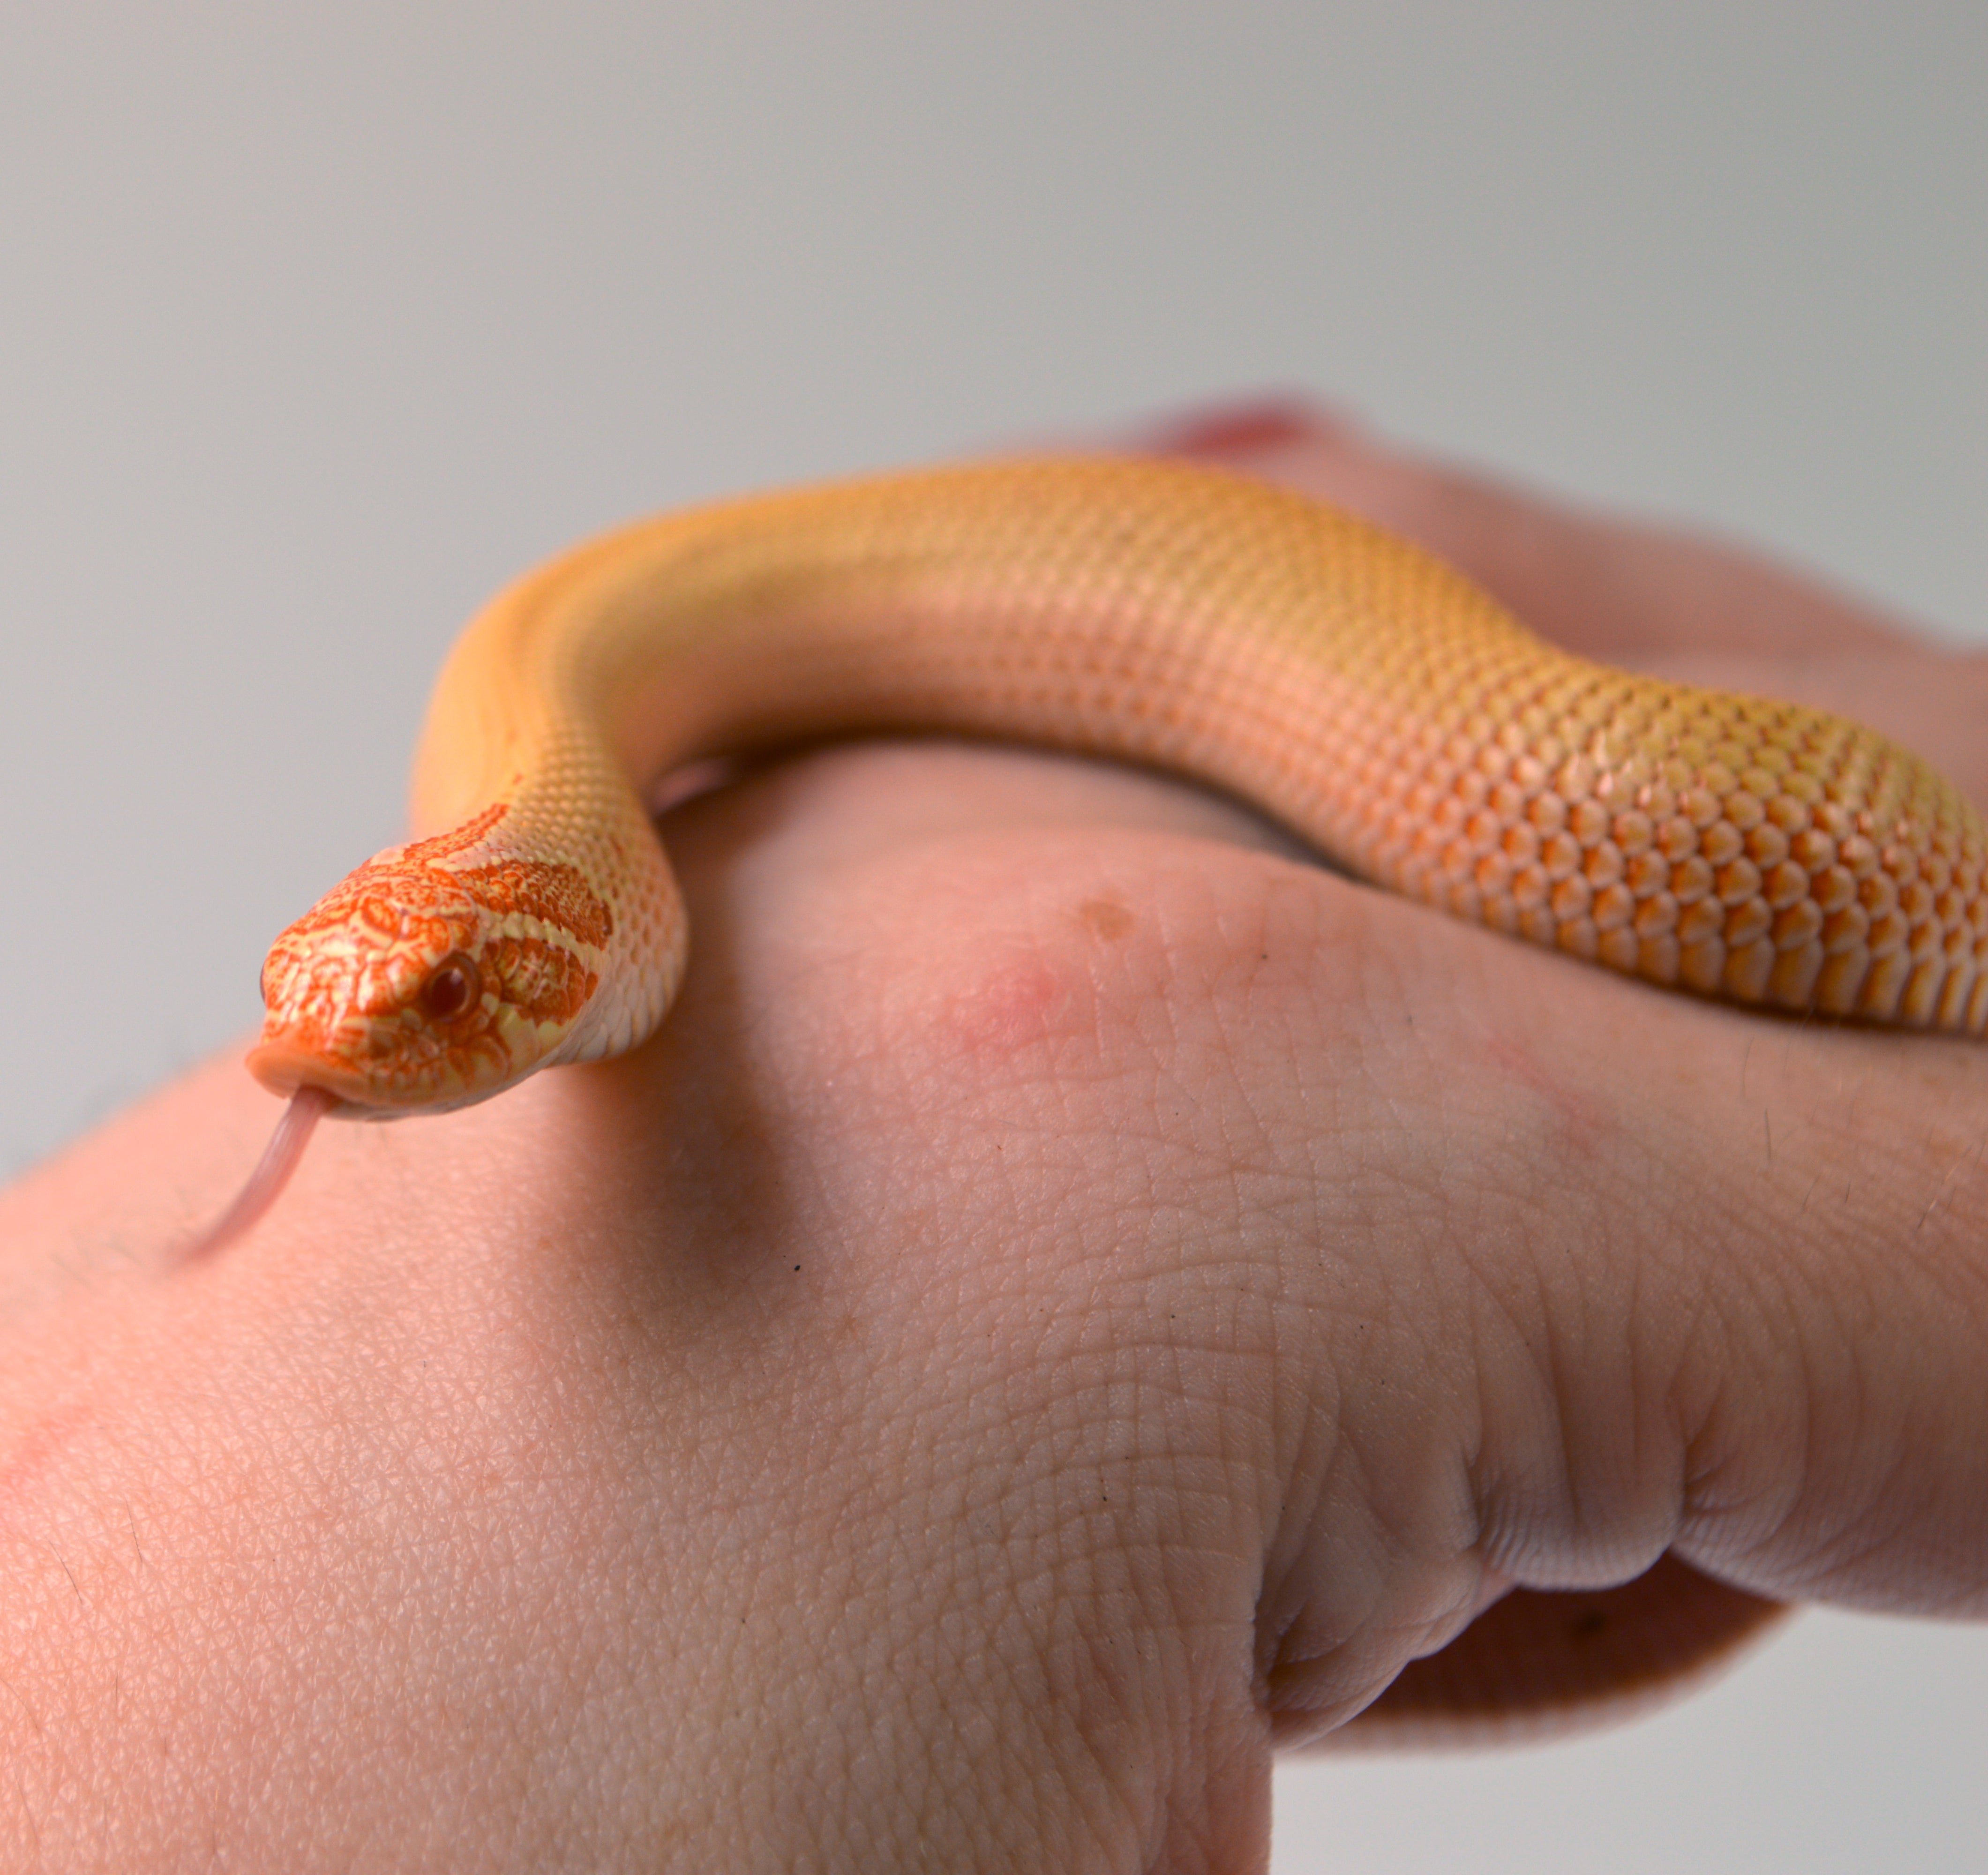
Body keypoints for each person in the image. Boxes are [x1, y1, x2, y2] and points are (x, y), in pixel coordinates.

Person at [3, 404, 1982, 1871]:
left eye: (438, 997)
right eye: (337, 991)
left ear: (558, 944)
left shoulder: (570, 833)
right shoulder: (548, 812)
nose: (344, 1047)